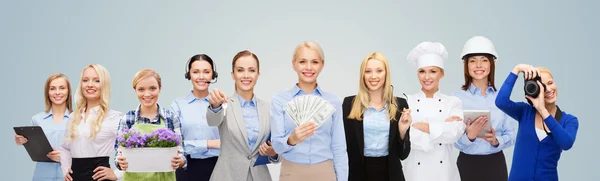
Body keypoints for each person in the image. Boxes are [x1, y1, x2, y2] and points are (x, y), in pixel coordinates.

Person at [270, 41, 348, 181]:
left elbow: (339, 147)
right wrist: (292, 139)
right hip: (291, 173)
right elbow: (276, 145)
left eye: (315, 62)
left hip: (325, 172)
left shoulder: (333, 102)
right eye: (302, 61)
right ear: (294, 64)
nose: (309, 67)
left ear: (322, 65)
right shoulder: (279, 100)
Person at [206, 50, 280, 181]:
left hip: (259, 176)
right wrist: (214, 106)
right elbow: (212, 121)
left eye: (251, 70)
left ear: (258, 74)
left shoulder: (269, 109)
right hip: (227, 176)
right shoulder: (223, 104)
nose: (246, 75)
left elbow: (277, 149)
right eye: (240, 70)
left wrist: (273, 153)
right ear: (233, 74)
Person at [495, 64, 579, 181]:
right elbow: (501, 102)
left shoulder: (569, 120)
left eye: (550, 83)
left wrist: (543, 111)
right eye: (543, 87)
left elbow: (566, 143)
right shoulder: (525, 112)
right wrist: (517, 69)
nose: (549, 89)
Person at [453, 36, 516, 181]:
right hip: (466, 165)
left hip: (495, 165)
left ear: (491, 64)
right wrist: (469, 136)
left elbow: (511, 135)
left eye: (484, 60)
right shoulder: (456, 99)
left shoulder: (502, 98)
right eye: (473, 61)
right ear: (466, 65)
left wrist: (496, 140)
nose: (478, 65)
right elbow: (453, 139)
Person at [401, 42, 465, 181]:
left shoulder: (453, 102)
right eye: (422, 71)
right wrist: (442, 127)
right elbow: (406, 137)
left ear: (442, 73)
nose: (427, 77)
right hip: (414, 174)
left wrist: (423, 127)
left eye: (433, 71)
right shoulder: (407, 101)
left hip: (444, 174)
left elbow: (455, 132)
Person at [342, 52, 411, 181]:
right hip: (358, 174)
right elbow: (343, 147)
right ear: (363, 75)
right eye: (368, 71)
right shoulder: (349, 105)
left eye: (379, 71)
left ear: (386, 73)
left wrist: (402, 132)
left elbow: (403, 154)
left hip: (391, 174)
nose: (373, 76)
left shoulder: (400, 104)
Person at [114, 69, 186, 181]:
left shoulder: (171, 118)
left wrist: (179, 161)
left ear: (160, 89)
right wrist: (120, 162)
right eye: (141, 89)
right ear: (135, 91)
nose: (147, 94)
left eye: (152, 88)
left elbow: (182, 154)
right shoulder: (128, 118)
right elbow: (118, 154)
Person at [60, 64, 123, 181]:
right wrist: (66, 169)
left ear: (104, 85)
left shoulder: (115, 118)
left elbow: (135, 150)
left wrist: (118, 174)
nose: (89, 85)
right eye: (85, 80)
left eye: (96, 80)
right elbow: (64, 148)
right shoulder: (73, 117)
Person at [14, 73, 73, 181]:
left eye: (62, 88)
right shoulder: (37, 120)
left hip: (70, 176)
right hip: (42, 176)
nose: (57, 92)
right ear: (47, 92)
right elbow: (31, 145)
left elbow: (87, 151)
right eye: (52, 88)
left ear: (68, 91)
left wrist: (66, 157)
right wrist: (20, 140)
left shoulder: (78, 119)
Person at [171, 54, 221, 181]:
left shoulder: (222, 104)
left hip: (219, 168)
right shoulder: (177, 106)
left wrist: (193, 145)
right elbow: (175, 145)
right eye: (196, 72)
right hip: (186, 169)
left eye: (206, 72)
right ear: (189, 75)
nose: (201, 77)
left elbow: (229, 143)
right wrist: (210, 143)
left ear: (213, 75)